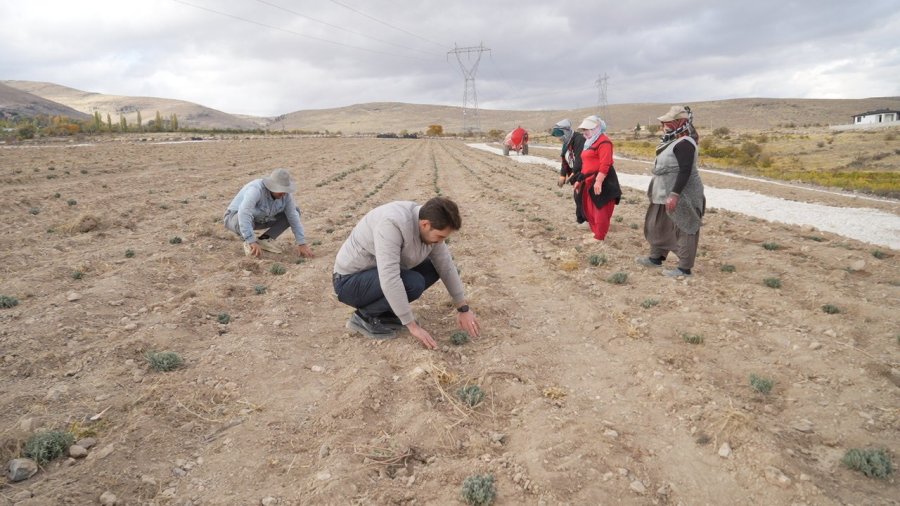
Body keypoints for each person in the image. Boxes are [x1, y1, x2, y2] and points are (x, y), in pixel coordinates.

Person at [332, 197, 480, 349]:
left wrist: (463, 308)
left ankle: (386, 314)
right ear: (425, 224)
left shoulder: (429, 225)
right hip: (349, 281)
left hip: (375, 276)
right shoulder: (392, 224)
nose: (441, 241)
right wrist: (412, 326)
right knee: (412, 282)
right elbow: (390, 277)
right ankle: (364, 317)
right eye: (440, 236)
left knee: (433, 268)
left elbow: (446, 266)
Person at [635, 105, 705, 277]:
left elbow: (685, 170)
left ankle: (684, 269)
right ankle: (655, 257)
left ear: (679, 122)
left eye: (667, 122)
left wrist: (675, 194)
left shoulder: (685, 143)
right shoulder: (670, 140)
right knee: (657, 223)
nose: (663, 125)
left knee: (685, 226)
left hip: (682, 193)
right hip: (662, 190)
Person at [223, 168, 315, 259]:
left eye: (285, 190)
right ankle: (248, 242)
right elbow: (244, 213)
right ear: (272, 186)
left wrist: (302, 243)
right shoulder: (256, 189)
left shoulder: (286, 195)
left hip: (261, 219)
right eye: (281, 190)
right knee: (242, 218)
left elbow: (293, 216)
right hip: (234, 218)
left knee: (295, 212)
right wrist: (251, 240)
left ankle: (264, 239)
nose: (284, 193)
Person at [574, 115, 621, 241]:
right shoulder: (589, 143)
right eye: (584, 129)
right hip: (589, 180)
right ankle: (595, 233)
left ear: (597, 128)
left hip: (603, 181)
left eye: (588, 129)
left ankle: (599, 237)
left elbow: (605, 163)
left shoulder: (604, 142)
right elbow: (586, 164)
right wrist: (579, 180)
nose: (585, 132)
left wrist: (599, 181)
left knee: (601, 209)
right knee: (590, 208)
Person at [550, 119, 585, 189]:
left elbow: (579, 159)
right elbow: (564, 160)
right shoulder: (566, 143)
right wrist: (562, 175)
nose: (559, 138)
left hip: (583, 175)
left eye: (560, 134)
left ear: (566, 131)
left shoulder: (579, 139)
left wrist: (573, 174)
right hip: (575, 175)